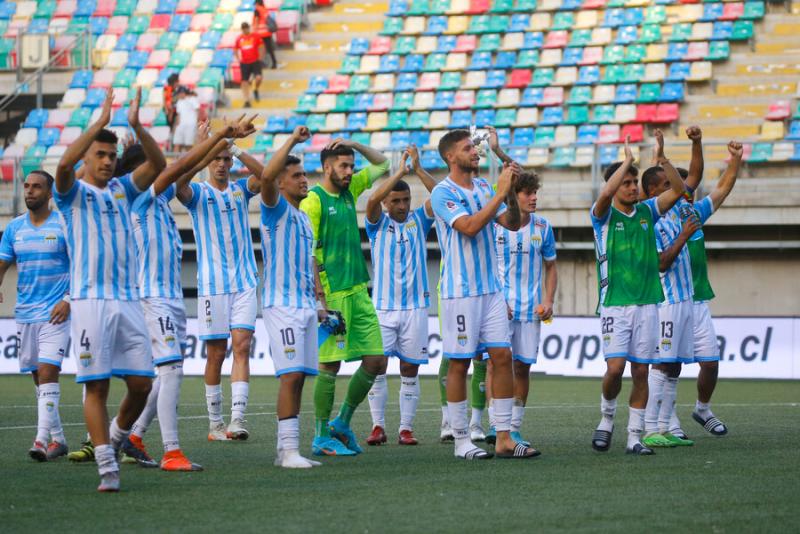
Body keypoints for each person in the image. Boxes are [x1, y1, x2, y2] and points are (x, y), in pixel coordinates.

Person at [125, 118, 255, 471]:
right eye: (148, 167)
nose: (156, 170)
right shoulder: (140, 198)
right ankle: (168, 450)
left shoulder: (158, 198)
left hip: (167, 297)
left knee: (161, 374)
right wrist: (218, 137)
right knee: (168, 371)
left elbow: (189, 166)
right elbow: (183, 167)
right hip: (151, 297)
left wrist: (216, 142)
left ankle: (130, 436)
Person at [53, 87, 166, 491]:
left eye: (111, 156)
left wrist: (136, 124)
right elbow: (63, 165)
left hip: (128, 300)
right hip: (90, 303)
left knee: (141, 384)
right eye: (99, 154)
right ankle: (107, 466)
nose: (106, 161)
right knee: (97, 387)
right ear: (87, 157)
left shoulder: (122, 190)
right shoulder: (71, 195)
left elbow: (158, 163)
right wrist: (98, 124)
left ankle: (116, 439)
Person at [431, 129, 539, 460]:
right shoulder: (441, 192)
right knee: (460, 362)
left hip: (491, 290)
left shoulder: (481, 186)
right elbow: (470, 226)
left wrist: (508, 194)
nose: (474, 152)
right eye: (467, 148)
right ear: (450, 156)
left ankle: (504, 436)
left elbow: (512, 222)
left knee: (502, 357)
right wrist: (501, 190)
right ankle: (462, 439)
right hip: (460, 292)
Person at [589, 136, 684, 456]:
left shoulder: (647, 211)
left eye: (634, 182)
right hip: (615, 305)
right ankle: (606, 419)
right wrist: (627, 161)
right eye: (626, 182)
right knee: (615, 369)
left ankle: (634, 436)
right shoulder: (602, 216)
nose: (632, 187)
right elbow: (604, 194)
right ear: (615, 186)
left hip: (647, 305)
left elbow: (682, 189)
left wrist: (662, 158)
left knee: (641, 371)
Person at [646, 130, 742, 440]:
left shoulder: (691, 210)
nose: (681, 190)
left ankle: (701, 409)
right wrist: (659, 154)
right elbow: (661, 261)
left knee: (709, 363)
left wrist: (734, 160)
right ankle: (662, 423)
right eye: (671, 185)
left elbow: (718, 187)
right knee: (667, 363)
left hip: (697, 299)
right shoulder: (652, 219)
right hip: (668, 301)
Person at [299, 138, 390, 456]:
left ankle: (342, 422)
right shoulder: (313, 201)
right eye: (343, 165)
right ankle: (320, 435)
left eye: (351, 166)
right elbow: (306, 251)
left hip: (359, 291)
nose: (350, 171)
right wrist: (319, 299)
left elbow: (383, 164)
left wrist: (353, 143)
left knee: (377, 360)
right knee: (329, 366)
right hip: (332, 295)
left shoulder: (350, 191)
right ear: (327, 168)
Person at [176, 114, 263, 442]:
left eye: (226, 159)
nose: (223, 164)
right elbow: (177, 183)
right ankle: (215, 424)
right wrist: (203, 147)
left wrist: (237, 149)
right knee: (216, 352)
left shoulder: (241, 190)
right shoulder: (197, 194)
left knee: (242, 346)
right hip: (212, 286)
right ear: (208, 162)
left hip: (244, 282)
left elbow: (268, 177)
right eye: (217, 159)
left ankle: (237, 419)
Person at [258, 126, 326, 468]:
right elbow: (267, 174)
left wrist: (319, 301)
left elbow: (310, 262)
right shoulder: (275, 209)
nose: (303, 179)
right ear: (281, 183)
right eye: (296, 175)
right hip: (280, 305)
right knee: (291, 375)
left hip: (304, 306)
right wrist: (292, 144)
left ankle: (290, 449)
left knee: (300, 376)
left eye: (304, 174)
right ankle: (287, 452)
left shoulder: (304, 220)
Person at [364, 145, 436, 446]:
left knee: (410, 368)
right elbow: (372, 200)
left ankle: (405, 428)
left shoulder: (420, 221)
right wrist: (399, 173)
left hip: (415, 309)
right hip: (383, 308)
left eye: (406, 200)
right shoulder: (377, 224)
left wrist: (417, 170)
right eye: (397, 200)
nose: (403, 205)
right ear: (388, 202)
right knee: (376, 365)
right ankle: (377, 426)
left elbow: (443, 196)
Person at [0, 171, 70, 462]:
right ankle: (59, 439)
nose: (29, 191)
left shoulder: (64, 224)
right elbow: (3, 261)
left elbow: (81, 264)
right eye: (26, 186)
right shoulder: (14, 228)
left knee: (47, 371)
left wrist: (67, 300)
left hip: (56, 313)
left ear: (50, 193)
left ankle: (41, 440)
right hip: (25, 313)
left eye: (36, 187)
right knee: (37, 376)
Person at [493, 170, 557, 449]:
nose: (533, 198)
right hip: (500, 307)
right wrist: (497, 300)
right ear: (513, 196)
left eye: (535, 193)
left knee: (523, 367)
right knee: (497, 363)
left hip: (531, 310)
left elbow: (551, 267)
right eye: (527, 193)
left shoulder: (543, 227)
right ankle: (495, 425)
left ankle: (514, 428)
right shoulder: (495, 225)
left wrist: (549, 300)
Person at [235, 22, 263, 107]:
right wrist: (238, 59)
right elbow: (235, 49)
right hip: (244, 62)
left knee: (259, 78)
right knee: (244, 82)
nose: (245, 30)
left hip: (255, 61)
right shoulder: (239, 38)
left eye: (246, 28)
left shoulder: (255, 36)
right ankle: (246, 100)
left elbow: (261, 46)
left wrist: (260, 57)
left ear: (248, 28)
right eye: (243, 28)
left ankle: (256, 89)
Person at [172, 87, 202, 153]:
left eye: (179, 94)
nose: (178, 95)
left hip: (190, 125)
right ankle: (175, 161)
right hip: (181, 125)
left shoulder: (192, 99)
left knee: (188, 145)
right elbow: (178, 115)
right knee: (176, 144)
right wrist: (176, 126)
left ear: (182, 93)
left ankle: (190, 161)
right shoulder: (179, 102)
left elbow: (198, 111)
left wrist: (198, 123)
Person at [254, 0, 278, 69]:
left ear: (257, 3)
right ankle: (274, 63)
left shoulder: (257, 10)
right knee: (269, 49)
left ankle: (261, 64)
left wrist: (254, 31)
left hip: (260, 33)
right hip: (267, 32)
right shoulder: (264, 9)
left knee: (260, 49)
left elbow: (256, 21)